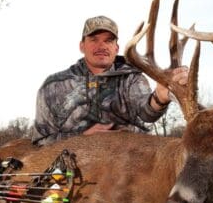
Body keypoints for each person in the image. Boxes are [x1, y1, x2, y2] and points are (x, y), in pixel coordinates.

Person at [32, 15, 188, 146]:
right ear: (82, 46)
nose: (102, 46)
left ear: (116, 48)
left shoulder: (131, 78)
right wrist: (81, 138)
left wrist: (159, 97)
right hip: (71, 168)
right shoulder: (53, 86)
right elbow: (41, 141)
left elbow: (146, 113)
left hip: (129, 166)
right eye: (94, 39)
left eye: (109, 41)